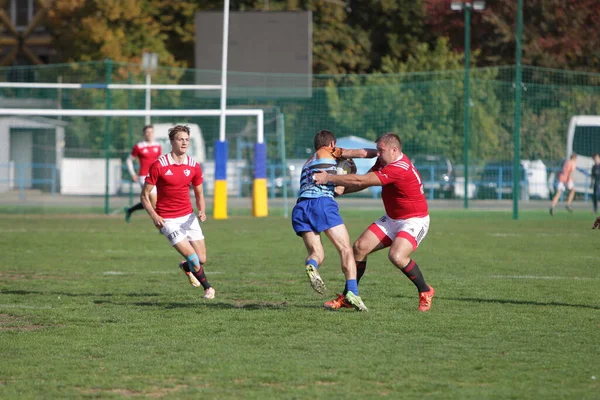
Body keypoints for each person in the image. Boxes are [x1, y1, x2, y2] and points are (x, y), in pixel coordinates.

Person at [313, 132, 435, 312]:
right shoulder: (385, 161)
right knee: (359, 247)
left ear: (394, 150)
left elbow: (360, 179)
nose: (377, 153)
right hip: (392, 218)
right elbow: (363, 183)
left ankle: (425, 290)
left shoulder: (399, 168)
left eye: (381, 150)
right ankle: (349, 296)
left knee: (397, 256)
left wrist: (328, 178)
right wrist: (337, 192)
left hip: (414, 221)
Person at [292, 129, 378, 312]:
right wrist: (380, 152)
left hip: (300, 208)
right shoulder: (330, 151)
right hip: (321, 203)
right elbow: (362, 153)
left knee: (317, 253)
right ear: (331, 144)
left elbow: (337, 189)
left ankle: (311, 265)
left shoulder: (308, 163)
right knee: (346, 249)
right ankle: (352, 292)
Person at [141, 125, 215, 299]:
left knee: (201, 259)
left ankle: (185, 267)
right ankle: (208, 288)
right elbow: (144, 195)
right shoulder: (159, 165)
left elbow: (199, 193)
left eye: (187, 139)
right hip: (168, 220)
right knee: (193, 258)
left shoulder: (194, 166)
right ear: (172, 142)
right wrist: (155, 216)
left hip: (188, 217)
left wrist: (202, 210)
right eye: (180, 139)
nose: (184, 142)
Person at [124, 125, 162, 222]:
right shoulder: (139, 146)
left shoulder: (157, 146)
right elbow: (129, 160)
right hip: (144, 176)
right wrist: (133, 174)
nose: (149, 134)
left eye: (151, 132)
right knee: (153, 198)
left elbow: (160, 161)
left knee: (151, 200)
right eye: (147, 132)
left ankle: (130, 210)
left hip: (157, 175)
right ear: (144, 134)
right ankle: (160, 223)